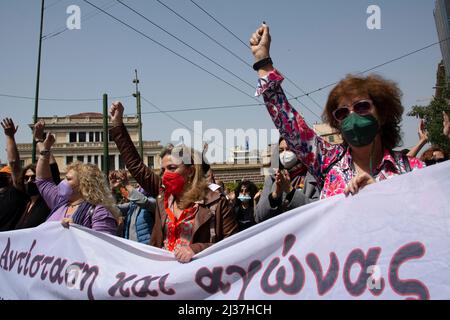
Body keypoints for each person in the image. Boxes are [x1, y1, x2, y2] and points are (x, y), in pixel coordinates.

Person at [249, 23, 424, 198]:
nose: (352, 116)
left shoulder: (413, 170)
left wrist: (381, 195)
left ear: (383, 113)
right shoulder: (327, 161)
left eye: (362, 106)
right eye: (342, 113)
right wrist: (262, 60)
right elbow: (289, 123)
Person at [109, 101, 238, 263]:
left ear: (190, 171)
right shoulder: (164, 196)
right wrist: (117, 125)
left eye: (172, 168)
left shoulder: (217, 204)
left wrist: (196, 249)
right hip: (164, 280)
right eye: (163, 170)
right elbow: (136, 165)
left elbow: (233, 248)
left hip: (199, 281)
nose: (165, 174)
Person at [35, 121, 119, 235]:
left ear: (84, 184)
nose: (63, 182)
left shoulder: (99, 212)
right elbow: (43, 181)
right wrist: (45, 150)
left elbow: (104, 246)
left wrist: (78, 230)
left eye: (68, 179)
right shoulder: (60, 201)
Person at [1, 118, 61, 230]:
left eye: (33, 178)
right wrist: (9, 136)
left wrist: (40, 141)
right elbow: (14, 165)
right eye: (26, 178)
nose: (29, 181)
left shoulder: (47, 200)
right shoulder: (23, 201)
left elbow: (51, 167)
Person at [255, 137, 320, 223]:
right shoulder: (272, 178)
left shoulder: (312, 177)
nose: (285, 154)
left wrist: (291, 191)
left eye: (289, 149)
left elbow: (318, 212)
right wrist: (274, 196)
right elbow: (258, 217)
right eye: (281, 150)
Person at [109, 170, 156, 243]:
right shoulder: (133, 204)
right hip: (132, 248)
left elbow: (144, 201)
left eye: (140, 183)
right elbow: (113, 208)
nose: (137, 185)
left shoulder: (154, 201)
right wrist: (112, 189)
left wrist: (126, 184)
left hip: (146, 250)